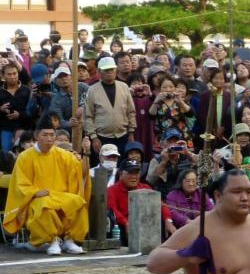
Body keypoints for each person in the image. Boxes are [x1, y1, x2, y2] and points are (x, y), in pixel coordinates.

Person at [2, 118, 90, 254]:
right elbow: (20, 184)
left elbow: (80, 173)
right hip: (36, 198)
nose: (49, 138)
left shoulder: (63, 155)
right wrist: (36, 192)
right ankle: (52, 240)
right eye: (45, 135)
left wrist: (86, 153)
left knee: (77, 201)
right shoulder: (25, 157)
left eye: (52, 135)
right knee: (44, 206)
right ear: (37, 136)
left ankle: (69, 240)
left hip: (59, 195)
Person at [107, 160, 175, 245]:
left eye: (136, 173)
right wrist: (126, 222)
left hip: (146, 226)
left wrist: (168, 220)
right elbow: (112, 210)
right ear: (121, 174)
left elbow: (161, 205)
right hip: (123, 228)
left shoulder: (146, 187)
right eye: (130, 173)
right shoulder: (112, 190)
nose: (134, 177)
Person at [83, 56, 136, 156]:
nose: (109, 72)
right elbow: (88, 116)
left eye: (111, 69)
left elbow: (131, 111)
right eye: (106, 70)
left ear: (116, 70)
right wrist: (94, 137)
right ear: (99, 71)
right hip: (102, 137)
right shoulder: (92, 90)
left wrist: (131, 132)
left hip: (123, 136)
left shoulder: (124, 87)